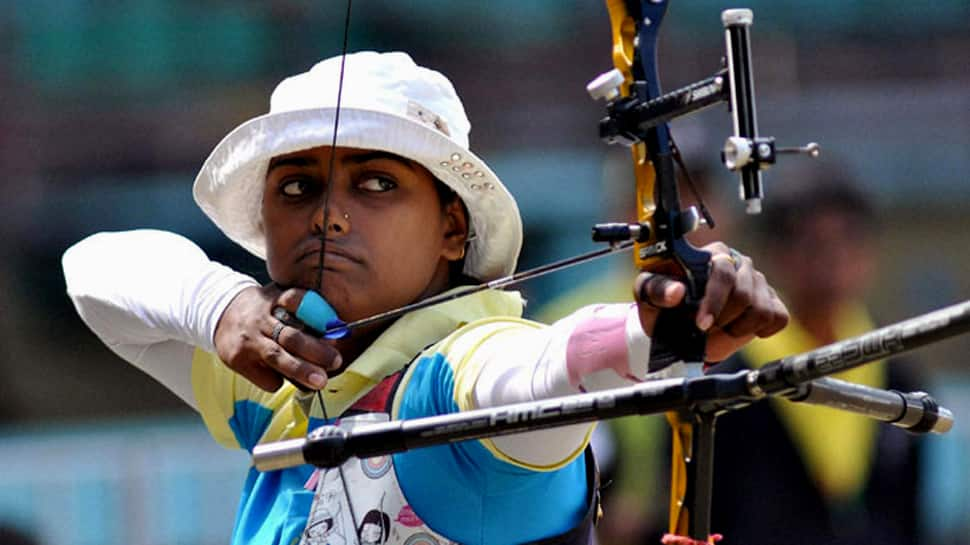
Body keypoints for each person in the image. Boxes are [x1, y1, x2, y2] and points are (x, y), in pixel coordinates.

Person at [62, 52, 788, 545]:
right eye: (297, 187)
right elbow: (91, 272)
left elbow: (542, 370)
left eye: (377, 183)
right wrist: (218, 306)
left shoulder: (451, 386)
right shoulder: (279, 382)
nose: (328, 214)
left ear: (451, 227)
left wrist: (652, 332)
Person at [704, 167, 923, 545]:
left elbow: (909, 515)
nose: (834, 261)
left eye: (849, 241)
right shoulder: (730, 383)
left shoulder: (898, 377)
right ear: (778, 254)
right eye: (815, 245)